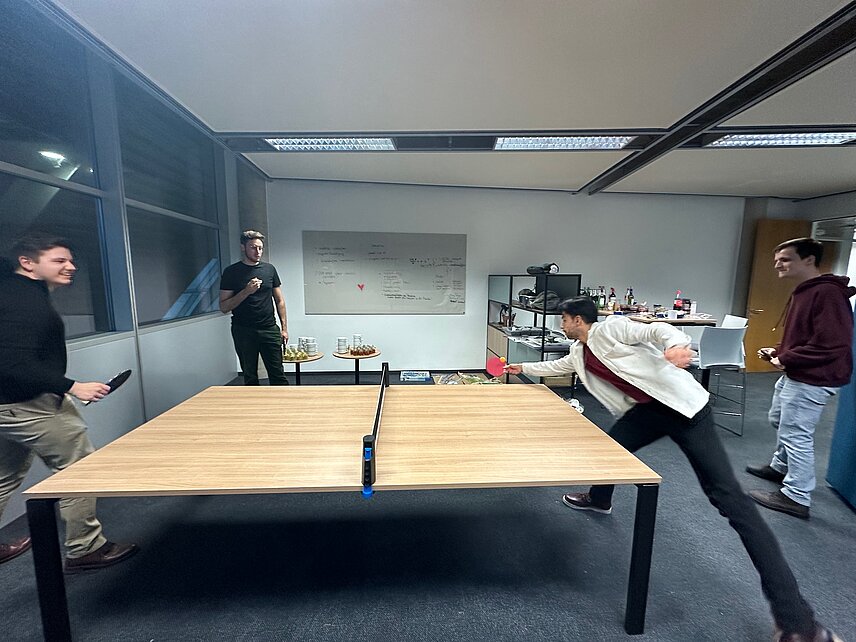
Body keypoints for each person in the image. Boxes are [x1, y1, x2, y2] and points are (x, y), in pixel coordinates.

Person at [505, 296, 840, 642]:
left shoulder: (612, 329)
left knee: (730, 501)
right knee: (609, 452)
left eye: (564, 319)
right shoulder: (579, 351)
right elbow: (560, 366)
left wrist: (678, 345)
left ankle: (799, 622)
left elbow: (657, 330)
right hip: (646, 414)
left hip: (686, 411)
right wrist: (524, 369)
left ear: (577, 320)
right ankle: (599, 498)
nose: (561, 325)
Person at [0, 234, 138, 571]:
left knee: (4, 475)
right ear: (27, 262)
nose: (71, 266)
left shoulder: (15, 293)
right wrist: (73, 386)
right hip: (30, 405)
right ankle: (85, 548)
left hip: (7, 404)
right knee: (80, 471)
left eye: (70, 260)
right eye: (59, 260)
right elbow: (13, 363)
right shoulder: (24, 303)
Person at [747, 237, 855, 519]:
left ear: (809, 260)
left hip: (813, 378)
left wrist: (788, 358)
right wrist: (780, 351)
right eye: (776, 261)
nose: (778, 265)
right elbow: (808, 337)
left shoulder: (827, 294)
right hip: (799, 373)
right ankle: (780, 467)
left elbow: (833, 344)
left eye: (785, 259)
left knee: (796, 434)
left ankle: (796, 495)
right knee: (779, 419)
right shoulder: (806, 291)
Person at [219, 230, 290, 385]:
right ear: (243, 247)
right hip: (243, 329)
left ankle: (284, 407)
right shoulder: (231, 272)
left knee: (278, 373)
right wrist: (246, 291)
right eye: (253, 247)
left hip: (269, 328)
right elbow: (224, 306)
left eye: (260, 248)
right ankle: (253, 408)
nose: (258, 252)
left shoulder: (269, 269)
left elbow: (280, 301)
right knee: (250, 375)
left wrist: (284, 328)